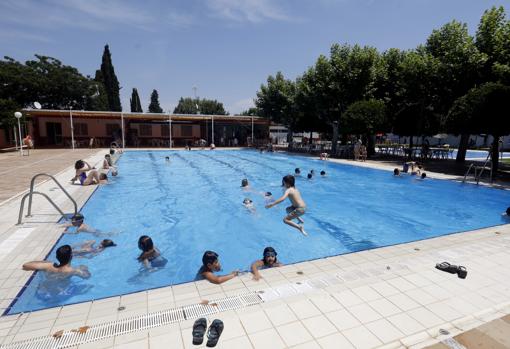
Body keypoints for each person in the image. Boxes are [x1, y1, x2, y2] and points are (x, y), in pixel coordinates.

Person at [22, 245, 90, 278]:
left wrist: (44, 262)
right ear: (71, 256)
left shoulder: (49, 266)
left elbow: (25, 265)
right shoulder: (73, 270)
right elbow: (87, 277)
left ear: (57, 257)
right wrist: (85, 268)